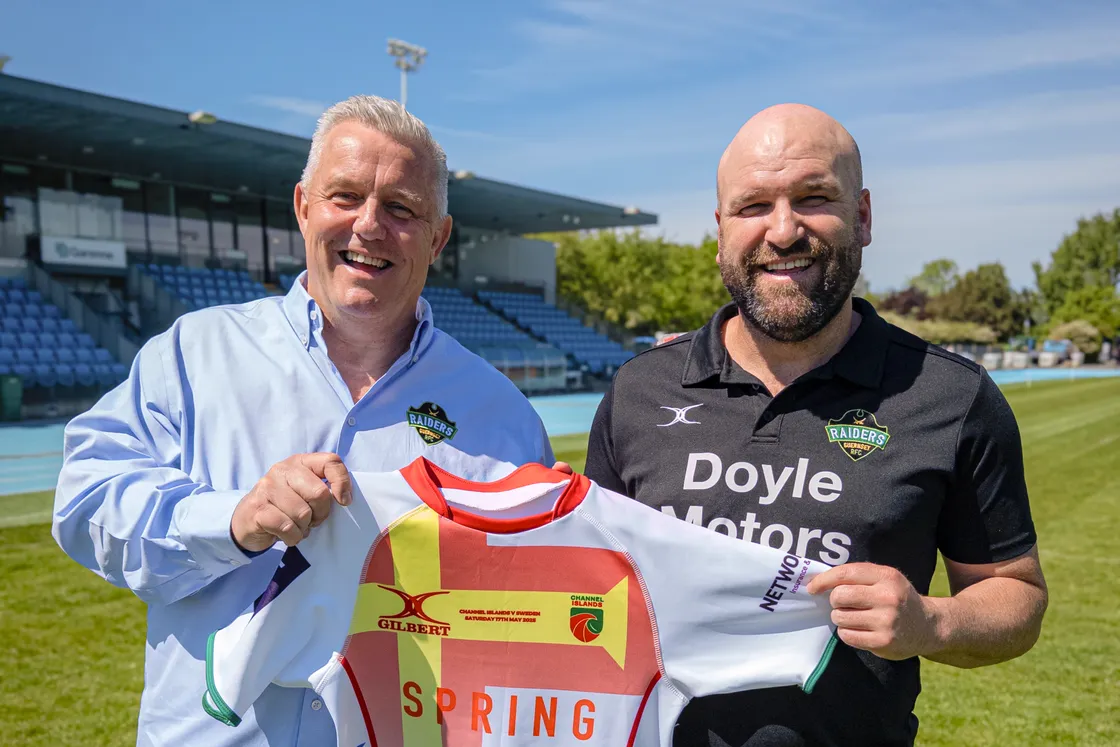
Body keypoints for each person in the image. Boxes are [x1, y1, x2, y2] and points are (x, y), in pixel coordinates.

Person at [52, 95, 558, 747]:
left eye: (401, 208)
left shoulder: (502, 413)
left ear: (438, 237)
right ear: (303, 207)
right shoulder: (193, 354)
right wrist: (231, 521)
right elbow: (84, 502)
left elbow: (530, 616)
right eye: (345, 196)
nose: (369, 225)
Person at [583, 103, 1048, 747]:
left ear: (863, 216)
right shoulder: (640, 389)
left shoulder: (951, 396)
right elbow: (590, 590)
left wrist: (930, 622)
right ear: (720, 230)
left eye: (813, 198)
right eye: (753, 206)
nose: (782, 231)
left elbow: (1015, 595)